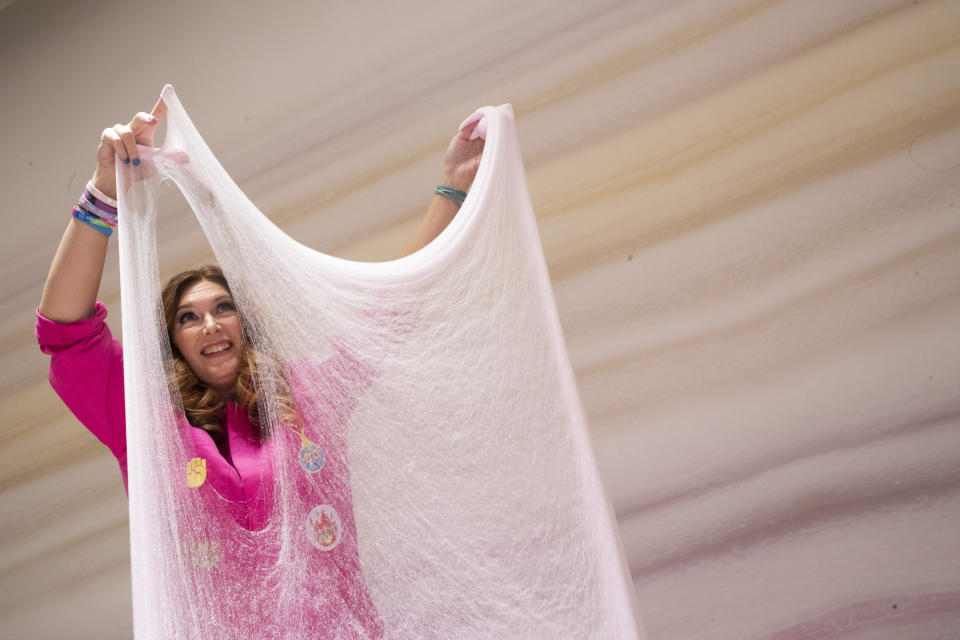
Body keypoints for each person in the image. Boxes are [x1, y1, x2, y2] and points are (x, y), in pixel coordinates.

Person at [35, 95, 484, 636]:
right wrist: (104, 190)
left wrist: (453, 187)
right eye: (188, 317)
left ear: (244, 325)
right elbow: (66, 335)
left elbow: (386, 311)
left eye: (224, 308)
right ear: (173, 342)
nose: (211, 324)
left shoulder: (306, 396)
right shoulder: (145, 425)